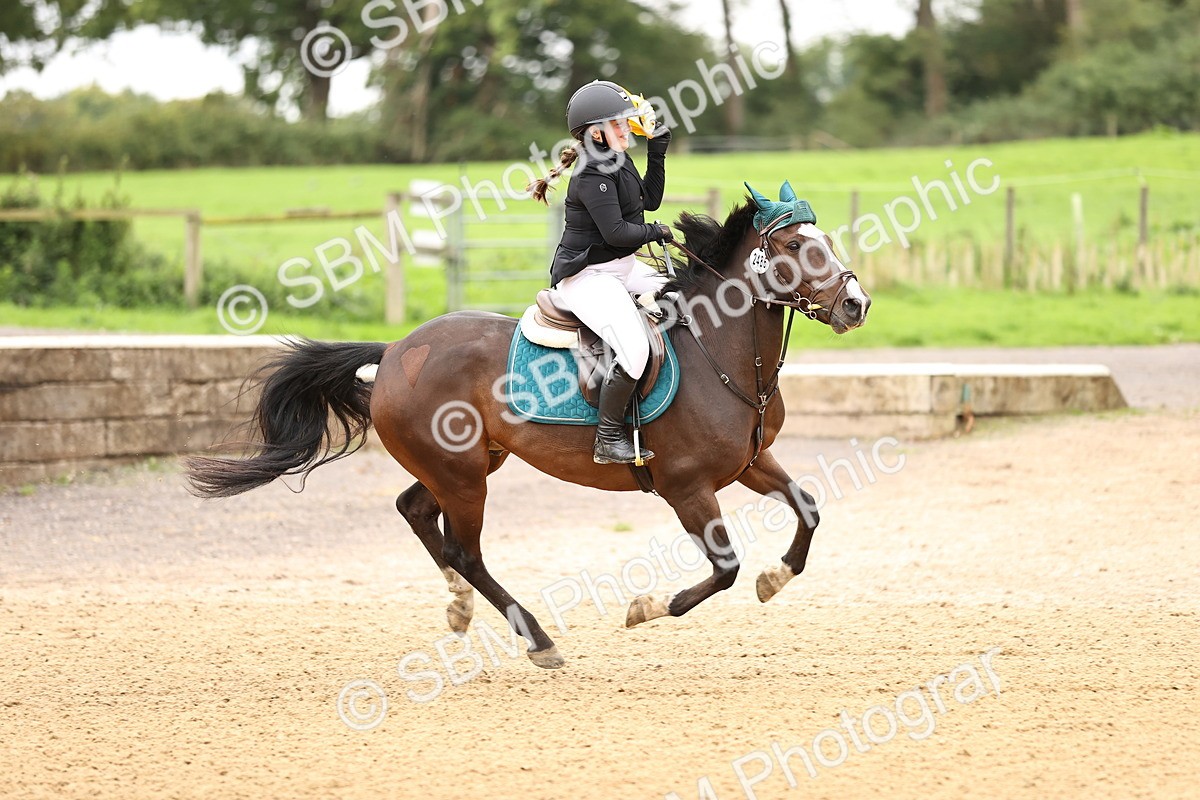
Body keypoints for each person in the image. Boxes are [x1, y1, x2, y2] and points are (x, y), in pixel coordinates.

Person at [528, 80, 673, 465]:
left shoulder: (618, 159)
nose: (628, 128)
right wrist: (656, 232)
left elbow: (650, 200)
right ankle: (608, 438)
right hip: (587, 277)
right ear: (596, 133)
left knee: (684, 294)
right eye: (620, 123)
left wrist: (656, 153)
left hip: (622, 268)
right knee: (635, 349)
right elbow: (617, 232)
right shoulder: (592, 173)